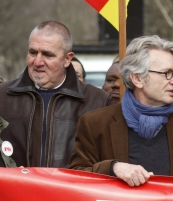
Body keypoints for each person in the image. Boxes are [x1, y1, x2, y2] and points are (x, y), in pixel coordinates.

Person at [69, 35, 173, 185]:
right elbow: (77, 175)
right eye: (167, 74)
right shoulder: (95, 123)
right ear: (137, 78)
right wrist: (113, 168)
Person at [0, 21, 112, 168]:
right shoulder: (2, 96)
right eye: (33, 52)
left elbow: (106, 164)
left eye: (47, 55)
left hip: (71, 191)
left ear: (67, 59)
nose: (38, 61)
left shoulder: (98, 102)